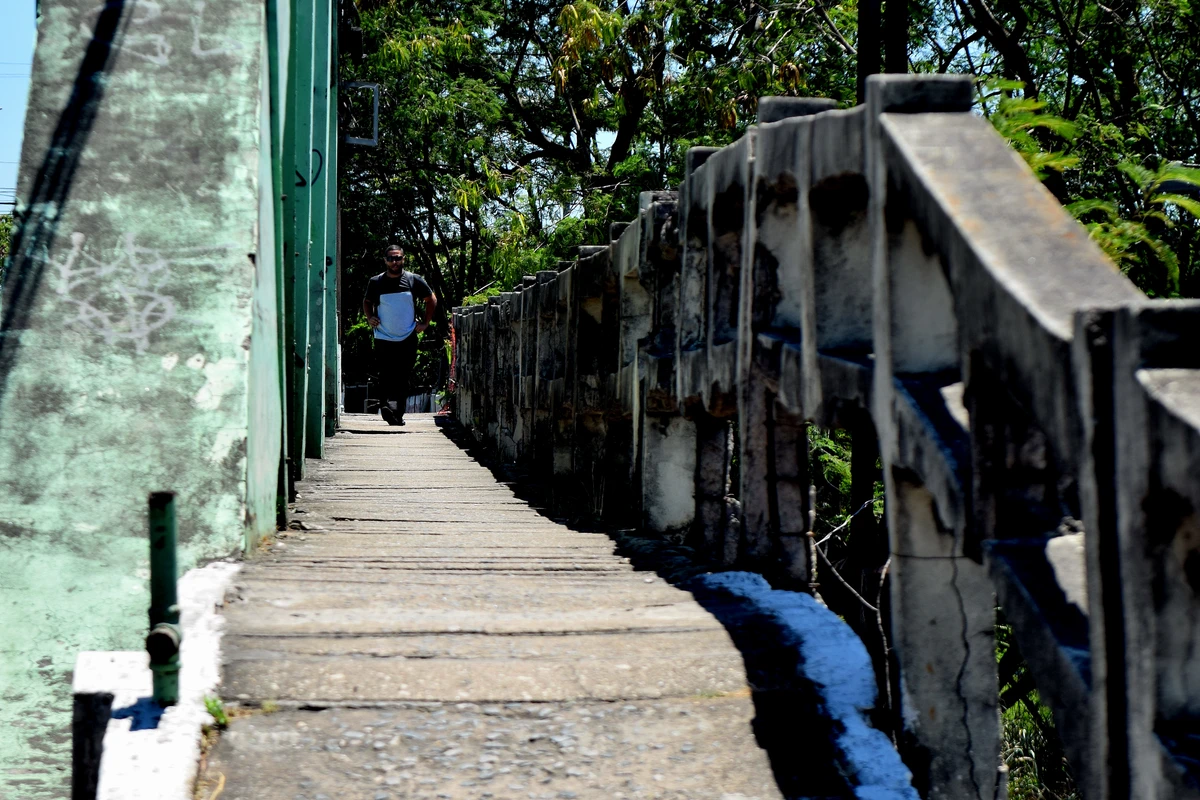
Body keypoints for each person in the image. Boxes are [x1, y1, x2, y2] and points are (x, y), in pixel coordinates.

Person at [362, 244, 438, 425]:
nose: (394, 262)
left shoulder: (413, 280)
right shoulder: (376, 282)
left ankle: (398, 414)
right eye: (391, 258)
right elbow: (367, 301)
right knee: (385, 374)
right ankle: (386, 407)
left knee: (403, 376)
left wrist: (425, 323)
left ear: (403, 259)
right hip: (383, 336)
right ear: (385, 261)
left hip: (407, 336)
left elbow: (431, 299)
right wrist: (370, 317)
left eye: (398, 258)